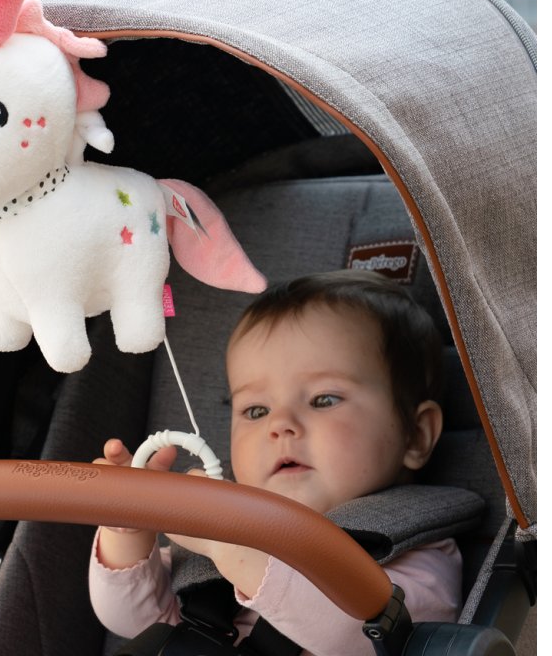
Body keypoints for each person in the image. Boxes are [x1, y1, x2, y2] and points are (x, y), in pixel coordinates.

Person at [88, 270, 463, 655]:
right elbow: (132, 619)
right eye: (256, 410)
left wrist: (229, 544)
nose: (280, 424)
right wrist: (129, 529)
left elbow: (360, 638)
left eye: (323, 400)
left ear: (416, 435)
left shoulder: (418, 554)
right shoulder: (215, 544)